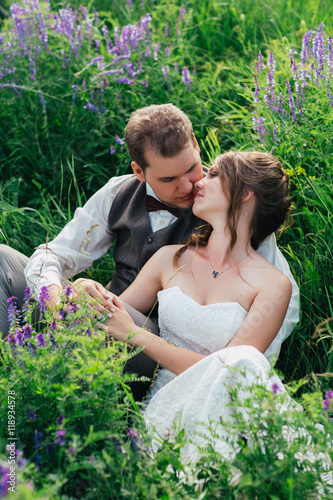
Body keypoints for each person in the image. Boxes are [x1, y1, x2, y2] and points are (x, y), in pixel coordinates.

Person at [0, 105, 299, 398]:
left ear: (196, 145)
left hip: (156, 353)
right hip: (116, 321)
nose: (189, 186)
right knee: (5, 260)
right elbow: (54, 255)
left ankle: (32, 385)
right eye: (169, 180)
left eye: (193, 169)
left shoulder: (230, 204)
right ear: (139, 171)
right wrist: (59, 296)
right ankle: (17, 385)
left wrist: (243, 384)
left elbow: (272, 317)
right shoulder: (122, 197)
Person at [101, 151, 323, 471]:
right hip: (167, 401)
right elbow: (114, 307)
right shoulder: (170, 258)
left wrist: (136, 335)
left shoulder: (274, 286)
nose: (199, 183)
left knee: (243, 360)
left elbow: (228, 372)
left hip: (224, 408)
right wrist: (83, 290)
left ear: (246, 192)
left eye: (214, 174)